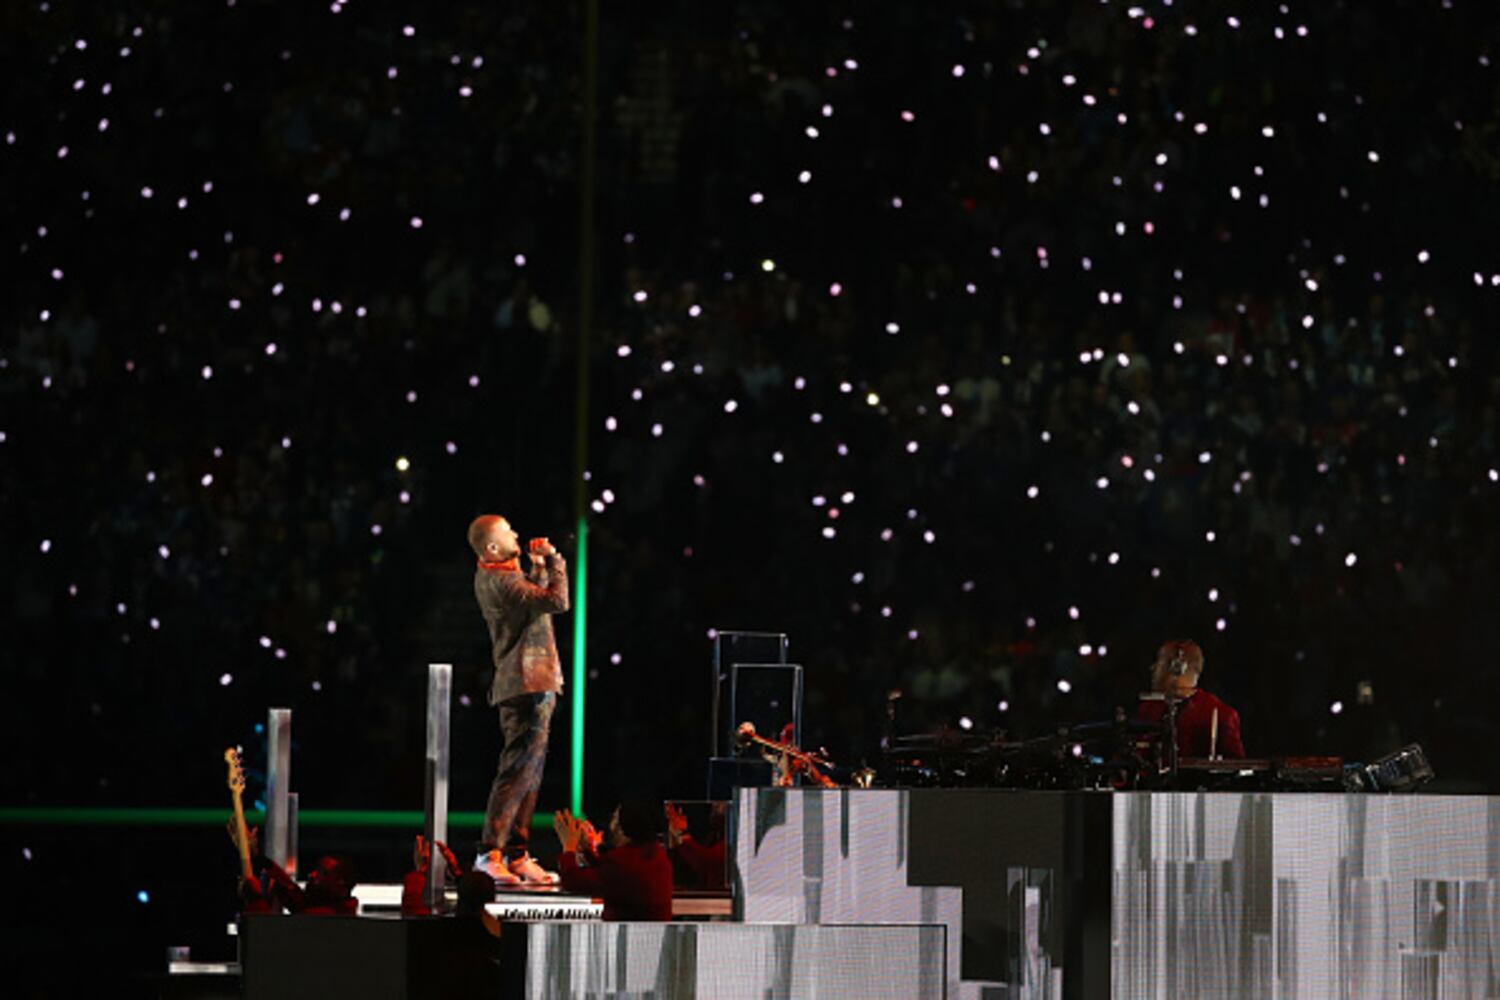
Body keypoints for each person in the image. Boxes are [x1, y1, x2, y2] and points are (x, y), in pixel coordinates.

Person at [468, 514, 570, 885]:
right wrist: (556, 561)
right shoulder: (502, 580)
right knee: (515, 773)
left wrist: (539, 567)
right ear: (491, 547)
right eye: (507, 531)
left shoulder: (505, 575)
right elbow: (557, 602)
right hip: (523, 684)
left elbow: (538, 604)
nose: (516, 533)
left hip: (535, 681)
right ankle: (489, 852)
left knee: (530, 773)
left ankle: (516, 853)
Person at [553, 801, 674, 921]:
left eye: (615, 819)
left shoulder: (622, 862)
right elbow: (610, 876)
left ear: (623, 829)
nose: (611, 825)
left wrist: (568, 845)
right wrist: (586, 850)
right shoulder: (656, 854)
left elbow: (572, 881)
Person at [1135, 639, 1245, 759]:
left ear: (1178, 665)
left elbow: (1234, 769)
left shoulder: (1222, 715)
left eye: (1160, 661)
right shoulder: (1148, 708)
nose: (1153, 668)